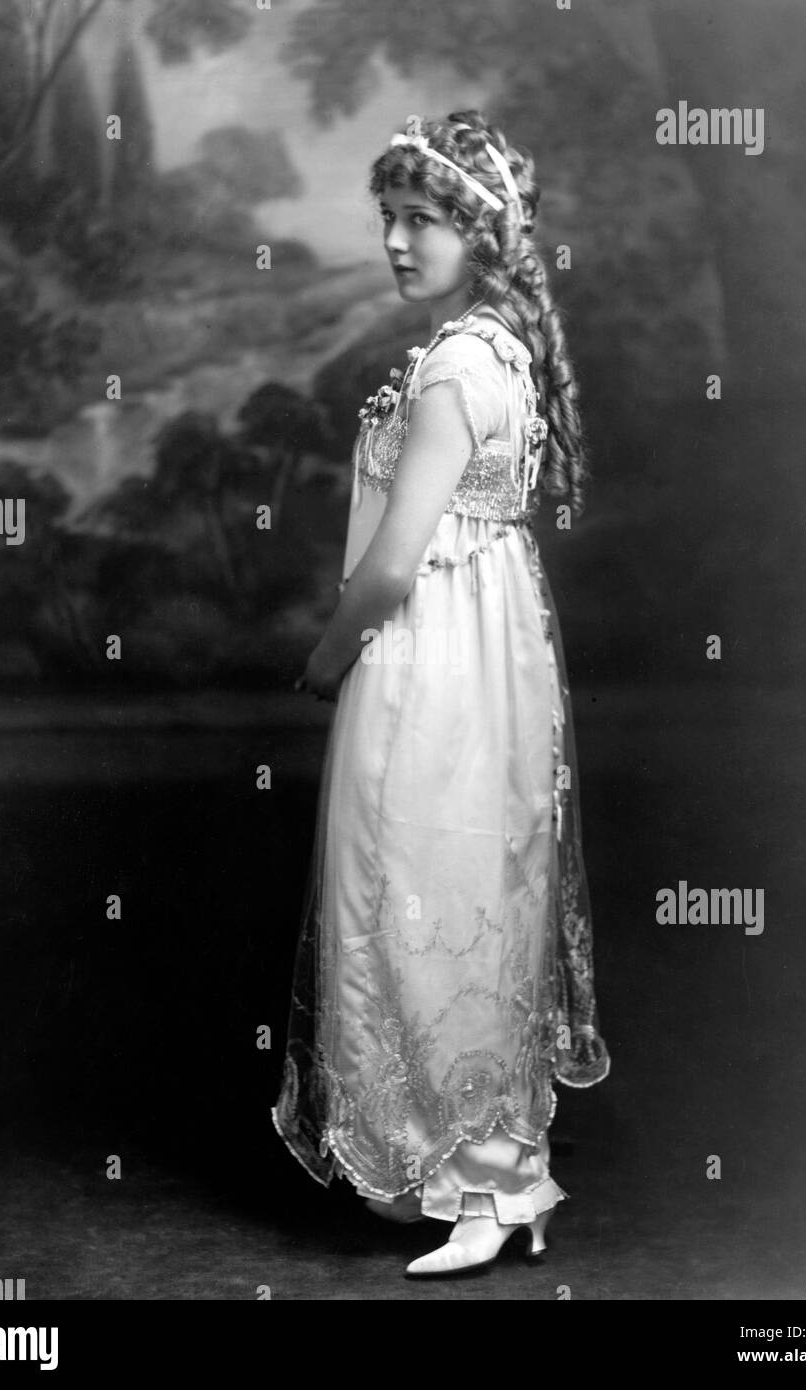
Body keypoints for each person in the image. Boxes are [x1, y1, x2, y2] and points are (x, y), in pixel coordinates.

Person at [273, 109, 609, 1278]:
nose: (398, 242)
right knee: (471, 887)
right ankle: (496, 1174)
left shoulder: (459, 366)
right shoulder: (499, 350)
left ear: (477, 230)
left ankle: (484, 1180)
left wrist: (326, 657)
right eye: (388, 220)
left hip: (432, 659)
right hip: (494, 649)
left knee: (419, 891)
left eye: (422, 220)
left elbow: (394, 564)